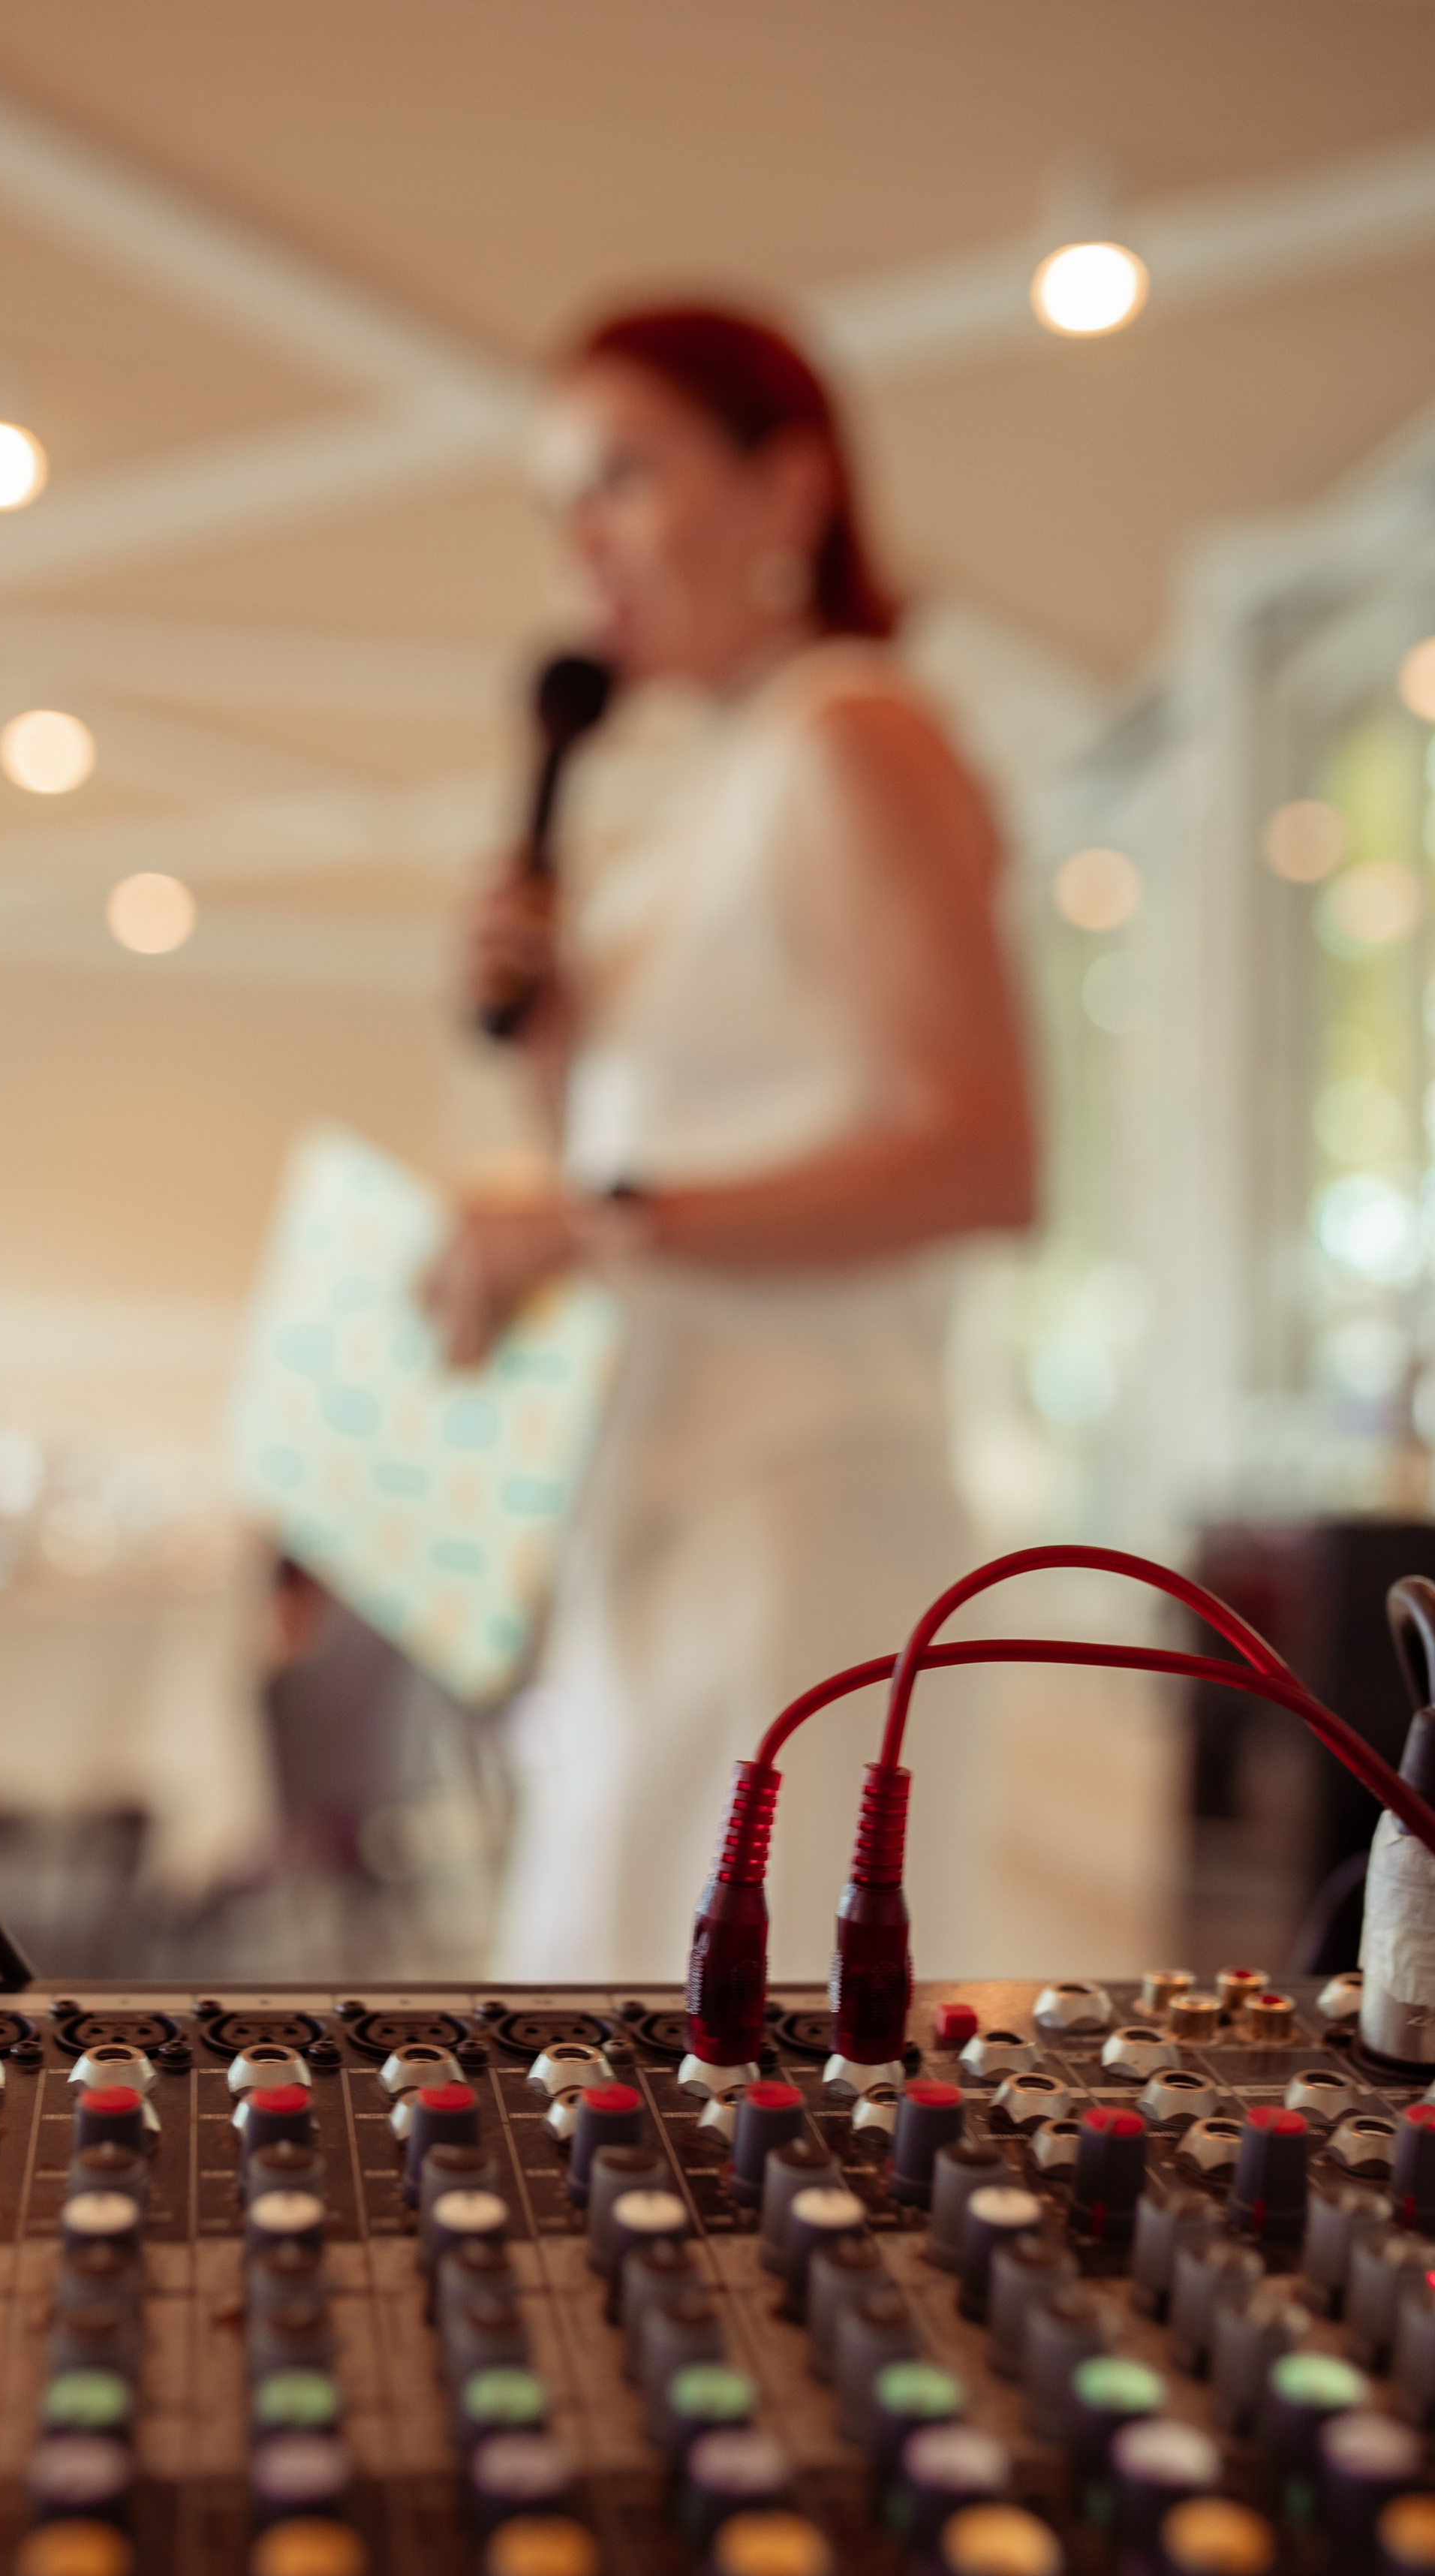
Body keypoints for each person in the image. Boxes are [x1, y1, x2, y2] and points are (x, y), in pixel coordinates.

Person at [427, 304, 1036, 1990]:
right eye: (558, 500)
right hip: (660, 1499)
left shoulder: (853, 737)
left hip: (802, 1520)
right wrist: (559, 1056)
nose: (582, 541)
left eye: (621, 474)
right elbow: (653, 1172)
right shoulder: (705, 797)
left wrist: (593, 1216)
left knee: (744, 2102)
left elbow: (980, 1156)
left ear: (788, 485)